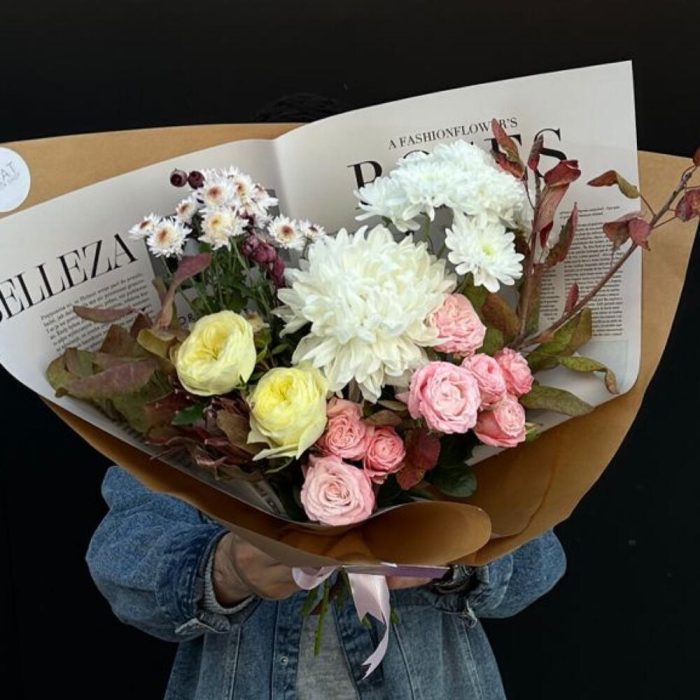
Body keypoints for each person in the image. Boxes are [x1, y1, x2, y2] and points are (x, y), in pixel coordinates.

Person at [87, 465, 567, 699]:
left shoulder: (448, 378)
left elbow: (540, 562)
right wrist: (225, 568)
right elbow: (119, 553)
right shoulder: (198, 384)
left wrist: (456, 555)